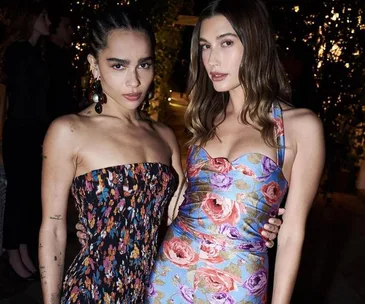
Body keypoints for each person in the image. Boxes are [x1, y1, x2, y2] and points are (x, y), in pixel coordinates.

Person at [146, 0, 325, 303]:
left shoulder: (300, 127)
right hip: (169, 275)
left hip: (239, 283)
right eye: (204, 46)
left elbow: (293, 233)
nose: (212, 59)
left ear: (255, 43)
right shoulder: (204, 118)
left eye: (226, 43)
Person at [38, 7, 181, 303]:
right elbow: (52, 228)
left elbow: (181, 216)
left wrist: (256, 221)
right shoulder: (69, 131)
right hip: (92, 290)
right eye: (119, 66)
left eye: (144, 65)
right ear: (95, 65)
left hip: (154, 289)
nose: (134, 81)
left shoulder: (164, 136)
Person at [1, 0, 51, 280]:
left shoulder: (33, 52)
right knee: (19, 194)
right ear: (31, 18)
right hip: (21, 132)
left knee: (28, 194)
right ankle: (12, 252)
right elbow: (21, 101)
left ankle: (19, 249)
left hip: (30, 131)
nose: (49, 20)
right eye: (43, 14)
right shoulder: (20, 53)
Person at [45, 4, 77, 121]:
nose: (71, 31)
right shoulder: (49, 54)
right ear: (55, 28)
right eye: (66, 26)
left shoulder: (61, 53)